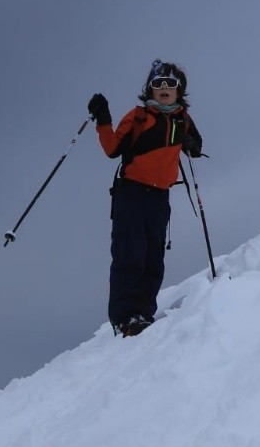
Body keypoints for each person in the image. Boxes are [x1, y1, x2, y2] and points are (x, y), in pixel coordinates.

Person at [86, 60, 203, 337]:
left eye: (171, 84)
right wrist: (103, 119)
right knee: (130, 251)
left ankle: (143, 313)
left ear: (179, 90)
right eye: (158, 83)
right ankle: (126, 318)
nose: (164, 88)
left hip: (160, 197)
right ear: (149, 89)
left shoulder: (182, 119)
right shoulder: (138, 117)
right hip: (132, 193)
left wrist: (192, 146)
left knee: (153, 255)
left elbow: (195, 147)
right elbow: (113, 149)